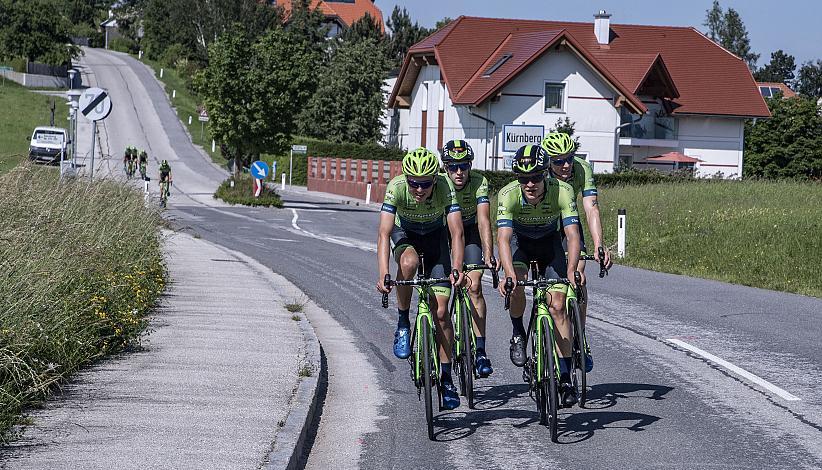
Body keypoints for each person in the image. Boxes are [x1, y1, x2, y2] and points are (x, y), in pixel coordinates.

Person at [376, 147, 466, 410]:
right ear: (406, 179)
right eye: (414, 183)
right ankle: (404, 322)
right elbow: (384, 233)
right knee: (408, 262)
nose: (418, 189)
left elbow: (457, 232)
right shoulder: (396, 186)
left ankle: (447, 380)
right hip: (405, 234)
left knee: (441, 313)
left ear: (434, 180)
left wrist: (457, 267)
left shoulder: (446, 186)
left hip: (436, 237)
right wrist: (383, 272)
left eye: (425, 184)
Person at [495, 144, 584, 407]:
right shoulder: (508, 194)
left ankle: (565, 376)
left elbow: (572, 235)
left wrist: (571, 269)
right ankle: (518, 332)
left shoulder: (563, 190)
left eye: (535, 177)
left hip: (550, 244)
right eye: (523, 179)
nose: (530, 184)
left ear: (546, 174)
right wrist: (509, 275)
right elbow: (503, 239)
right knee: (517, 283)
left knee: (558, 306)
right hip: (520, 245)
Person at [542, 132, 613, 372]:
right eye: (558, 161)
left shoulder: (582, 169)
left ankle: (580, 338)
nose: (565, 165)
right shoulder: (540, 171)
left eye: (569, 158)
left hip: (570, 226)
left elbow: (591, 208)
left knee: (579, 277)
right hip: (545, 226)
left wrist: (599, 244)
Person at [439, 139, 496, 378]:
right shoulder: (440, 183)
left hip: (470, 231)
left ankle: (480, 351)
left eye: (463, 166)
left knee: (474, 286)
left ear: (470, 165)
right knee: (441, 294)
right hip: (443, 232)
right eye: (453, 166)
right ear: (445, 167)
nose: (459, 172)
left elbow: (483, 220)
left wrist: (489, 252)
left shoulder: (479, 182)